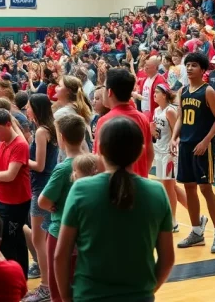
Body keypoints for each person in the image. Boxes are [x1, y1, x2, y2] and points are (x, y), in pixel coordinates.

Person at [55, 116, 175, 301]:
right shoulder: (157, 192)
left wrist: (67, 298)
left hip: (88, 296)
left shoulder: (81, 189)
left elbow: (60, 256)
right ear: (141, 151)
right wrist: (145, 291)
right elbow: (167, 260)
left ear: (100, 149)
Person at [171, 52, 215, 253]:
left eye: (194, 65)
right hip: (185, 145)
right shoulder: (183, 91)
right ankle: (196, 232)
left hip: (202, 146)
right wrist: (174, 137)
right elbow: (180, 118)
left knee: (205, 189)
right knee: (189, 188)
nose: (189, 68)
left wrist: (205, 141)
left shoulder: (208, 91)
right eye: (188, 65)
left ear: (203, 70)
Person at [38, 114, 87, 302]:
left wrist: (53, 206)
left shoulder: (64, 168)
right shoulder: (93, 162)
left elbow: (43, 201)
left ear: (62, 138)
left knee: (58, 285)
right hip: (86, 232)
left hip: (60, 231)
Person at [0, 109, 32, 278]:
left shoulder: (19, 145)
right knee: (8, 239)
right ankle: (15, 276)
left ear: (8, 125)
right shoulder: (1, 144)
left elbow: (10, 175)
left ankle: (16, 278)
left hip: (16, 202)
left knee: (11, 242)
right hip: (1, 199)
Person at [25, 94, 59, 302]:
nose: (26, 110)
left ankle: (46, 285)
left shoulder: (41, 131)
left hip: (41, 187)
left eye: (28, 107)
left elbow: (39, 164)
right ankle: (49, 282)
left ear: (36, 109)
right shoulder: (49, 128)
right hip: (46, 185)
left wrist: (20, 159)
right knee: (44, 238)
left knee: (39, 239)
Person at [93, 68, 154, 178]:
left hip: (112, 185)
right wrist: (142, 175)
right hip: (138, 182)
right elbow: (150, 154)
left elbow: (99, 158)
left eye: (104, 88)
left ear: (109, 92)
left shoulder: (104, 121)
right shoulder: (142, 118)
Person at [151, 84, 187, 231]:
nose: (154, 94)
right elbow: (158, 134)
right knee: (169, 186)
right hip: (158, 152)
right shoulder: (156, 111)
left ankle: (172, 221)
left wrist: (175, 145)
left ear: (164, 95)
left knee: (168, 188)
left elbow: (178, 133)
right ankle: (196, 214)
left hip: (169, 154)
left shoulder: (170, 112)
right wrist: (153, 131)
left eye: (157, 92)